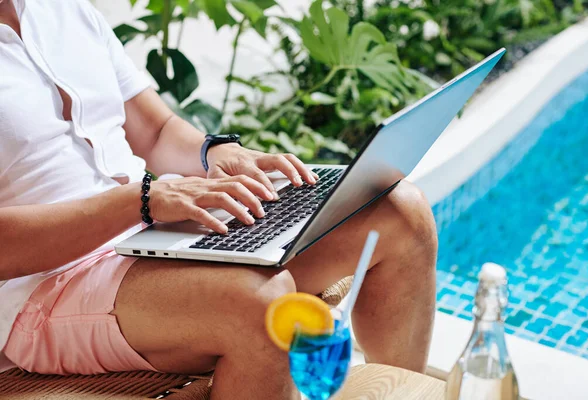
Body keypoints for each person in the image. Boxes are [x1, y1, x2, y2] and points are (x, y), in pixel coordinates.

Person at [0, 0, 438, 398]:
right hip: (47, 285)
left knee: (400, 212)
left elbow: (155, 131)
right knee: (265, 305)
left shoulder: (64, 10)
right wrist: (142, 200)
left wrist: (216, 152)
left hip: (153, 229)